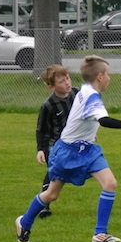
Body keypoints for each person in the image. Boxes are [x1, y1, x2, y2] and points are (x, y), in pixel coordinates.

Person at [16, 56, 121, 242]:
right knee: (51, 195)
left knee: (110, 183)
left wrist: (89, 134)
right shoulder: (90, 96)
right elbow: (104, 120)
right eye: (107, 74)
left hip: (88, 149)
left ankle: (100, 235)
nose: (109, 78)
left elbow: (84, 118)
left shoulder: (84, 90)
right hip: (67, 152)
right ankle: (24, 222)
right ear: (100, 76)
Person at [34, 64, 79, 219]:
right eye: (61, 81)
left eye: (67, 78)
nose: (67, 83)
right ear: (52, 87)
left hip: (71, 142)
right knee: (54, 171)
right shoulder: (48, 105)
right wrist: (40, 149)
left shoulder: (76, 94)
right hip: (53, 143)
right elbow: (41, 129)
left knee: (63, 172)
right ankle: (43, 205)